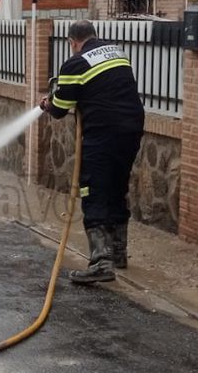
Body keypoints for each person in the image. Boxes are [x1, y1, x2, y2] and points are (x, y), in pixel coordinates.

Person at [41, 20, 145, 284]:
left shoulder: (75, 63)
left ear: (73, 42)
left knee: (94, 190)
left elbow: (61, 108)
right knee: (116, 189)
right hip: (131, 130)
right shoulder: (116, 52)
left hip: (103, 134)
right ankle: (119, 254)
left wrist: (47, 104)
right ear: (94, 36)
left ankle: (101, 262)